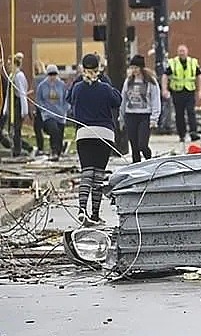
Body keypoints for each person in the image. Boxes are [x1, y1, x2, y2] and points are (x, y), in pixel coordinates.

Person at [67, 54, 122, 224]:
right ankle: (95, 214)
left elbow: (69, 99)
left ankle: (82, 210)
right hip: (104, 134)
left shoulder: (77, 88)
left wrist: (80, 78)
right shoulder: (105, 88)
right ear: (99, 69)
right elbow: (117, 100)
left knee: (86, 172)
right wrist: (103, 78)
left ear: (83, 69)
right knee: (98, 175)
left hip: (83, 133)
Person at [119, 54, 161, 163]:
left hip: (145, 115)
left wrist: (154, 118)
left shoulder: (150, 82)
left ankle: (149, 160)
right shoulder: (128, 81)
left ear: (142, 68)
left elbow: (155, 100)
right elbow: (123, 99)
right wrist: (121, 117)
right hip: (130, 115)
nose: (134, 70)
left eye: (136, 68)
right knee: (134, 146)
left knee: (142, 144)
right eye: (132, 68)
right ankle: (136, 166)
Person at [161, 44, 201, 142]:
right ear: (177, 52)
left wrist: (200, 91)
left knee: (191, 112)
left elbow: (199, 76)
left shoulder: (193, 62)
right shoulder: (173, 63)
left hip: (189, 91)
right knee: (179, 114)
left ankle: (193, 132)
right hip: (177, 91)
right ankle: (182, 134)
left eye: (183, 51)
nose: (182, 53)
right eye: (180, 51)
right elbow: (165, 75)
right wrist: (164, 89)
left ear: (187, 52)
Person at [34, 65, 68, 161]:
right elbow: (39, 100)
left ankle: (58, 152)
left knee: (59, 134)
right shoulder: (42, 86)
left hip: (60, 114)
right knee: (54, 130)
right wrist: (43, 110)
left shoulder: (62, 85)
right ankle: (54, 151)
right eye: (50, 74)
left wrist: (64, 109)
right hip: (48, 115)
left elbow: (67, 99)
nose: (52, 77)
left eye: (54, 74)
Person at [8, 53, 30, 157]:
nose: (8, 66)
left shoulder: (19, 76)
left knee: (16, 129)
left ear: (15, 64)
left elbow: (22, 93)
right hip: (12, 104)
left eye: (9, 64)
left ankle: (18, 150)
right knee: (11, 129)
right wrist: (5, 110)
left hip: (18, 104)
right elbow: (8, 94)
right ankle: (20, 147)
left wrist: (24, 110)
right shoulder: (11, 75)